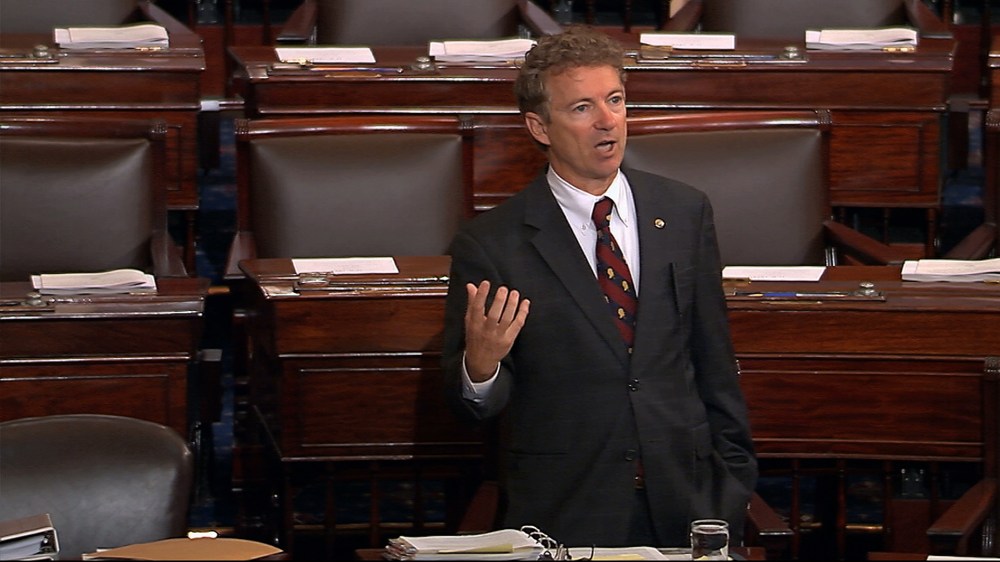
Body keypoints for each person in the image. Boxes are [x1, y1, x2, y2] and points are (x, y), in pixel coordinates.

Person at [441, 25, 757, 548]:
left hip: (687, 501)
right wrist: (481, 365)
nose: (608, 120)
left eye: (615, 100)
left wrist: (731, 490)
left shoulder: (684, 212)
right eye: (582, 108)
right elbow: (471, 407)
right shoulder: (492, 244)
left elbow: (715, 363)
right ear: (539, 127)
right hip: (568, 509)